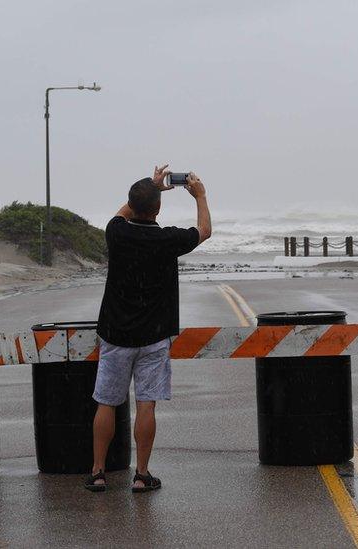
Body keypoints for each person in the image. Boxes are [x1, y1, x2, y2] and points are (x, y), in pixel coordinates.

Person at [85, 165, 211, 493]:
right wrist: (200, 195)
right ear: (158, 209)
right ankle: (141, 474)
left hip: (116, 333)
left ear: (132, 204)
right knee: (146, 404)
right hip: (153, 335)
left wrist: (151, 187)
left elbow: (121, 212)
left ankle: (98, 471)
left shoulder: (117, 233)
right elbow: (204, 230)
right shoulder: (167, 239)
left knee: (107, 402)